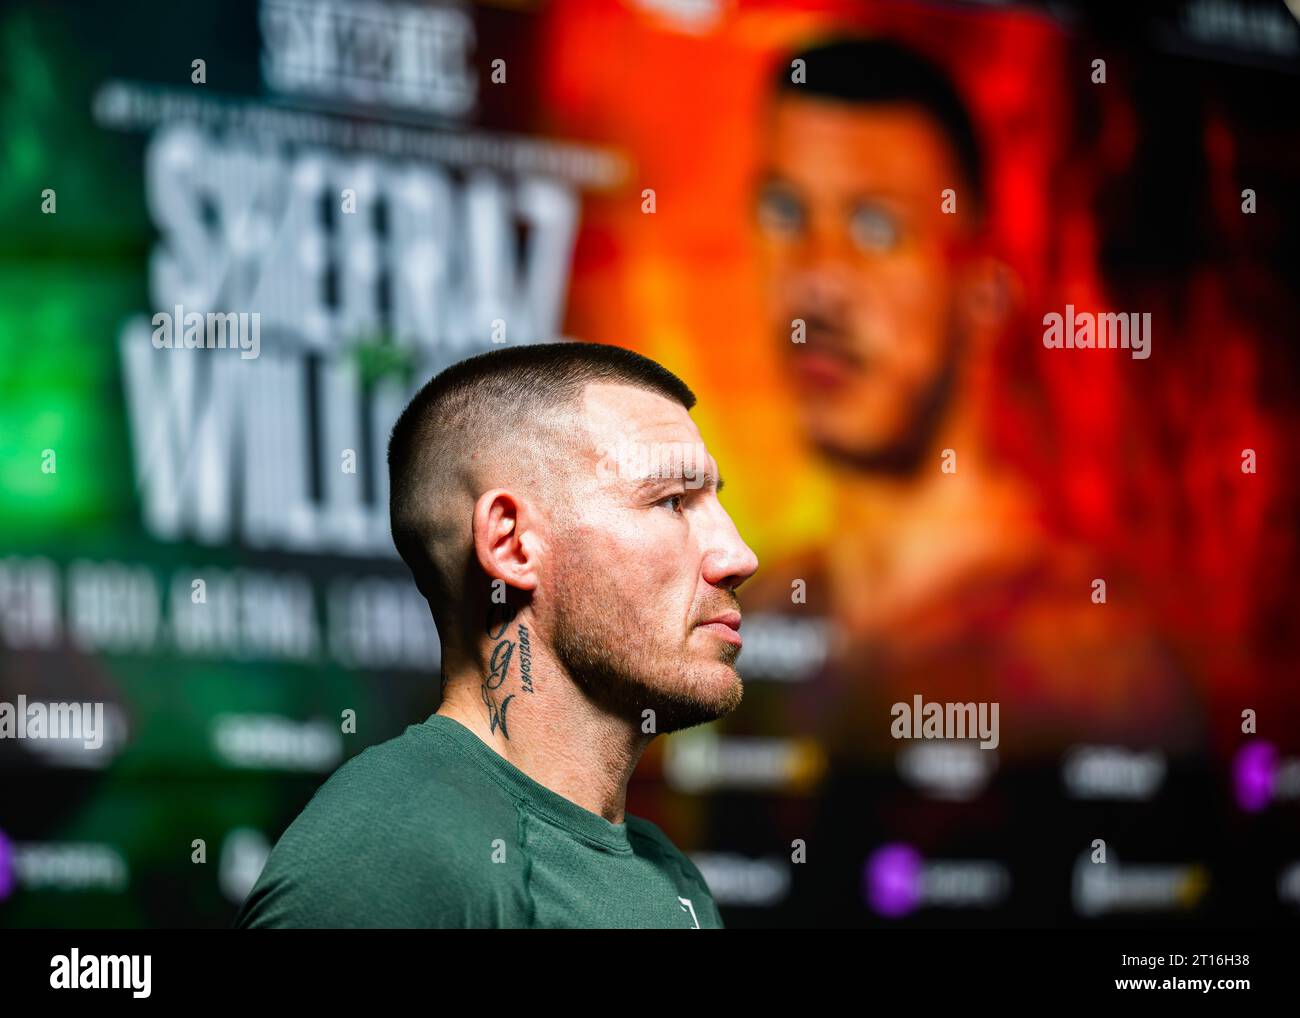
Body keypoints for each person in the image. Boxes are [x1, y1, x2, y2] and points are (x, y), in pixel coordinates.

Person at [235, 341, 758, 928]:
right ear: (511, 543)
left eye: (716, 503)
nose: (739, 556)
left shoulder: (667, 875)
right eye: (672, 502)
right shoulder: (398, 854)